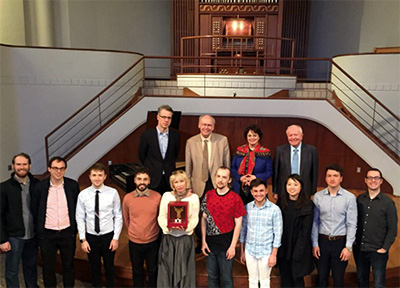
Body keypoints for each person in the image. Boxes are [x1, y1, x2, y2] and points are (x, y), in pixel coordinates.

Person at [31, 156, 80, 288]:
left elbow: (77, 208)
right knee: (48, 268)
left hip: (67, 233)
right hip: (47, 234)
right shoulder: (39, 187)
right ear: (49, 169)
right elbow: (35, 210)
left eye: (61, 168)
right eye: (55, 168)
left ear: (65, 170)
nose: (58, 171)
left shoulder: (72, 185)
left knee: (69, 266)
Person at [76, 163, 123, 288]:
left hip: (108, 236)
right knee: (94, 268)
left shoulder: (113, 193)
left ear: (105, 177)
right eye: (94, 175)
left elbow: (118, 216)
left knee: (109, 267)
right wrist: (83, 239)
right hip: (91, 237)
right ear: (90, 177)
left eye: (100, 175)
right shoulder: (83, 195)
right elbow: (80, 217)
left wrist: (116, 238)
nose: (97, 178)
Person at [311, 164, 357, 287]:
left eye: (335, 176)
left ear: (341, 178)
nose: (332, 179)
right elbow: (315, 222)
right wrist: (315, 244)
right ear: (325, 178)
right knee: (321, 278)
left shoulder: (349, 198)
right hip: (322, 242)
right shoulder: (318, 197)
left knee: (338, 279)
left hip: (340, 243)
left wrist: (348, 247)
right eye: (329, 176)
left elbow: (352, 224)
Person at [201, 166, 246, 287]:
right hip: (210, 245)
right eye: (218, 176)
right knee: (212, 278)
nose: (220, 180)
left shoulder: (235, 198)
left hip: (226, 246)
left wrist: (232, 247)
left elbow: (238, 224)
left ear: (229, 180)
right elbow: (204, 219)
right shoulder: (208, 195)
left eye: (224, 177)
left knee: (226, 280)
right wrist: (203, 241)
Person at [354, 168, 397, 288]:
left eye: (376, 178)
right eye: (370, 178)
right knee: (361, 281)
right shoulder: (360, 199)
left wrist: (384, 248)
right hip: (360, 249)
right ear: (365, 180)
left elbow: (392, 228)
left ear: (381, 181)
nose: (373, 180)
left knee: (378, 283)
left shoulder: (388, 203)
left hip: (378, 251)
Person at [0, 153, 39, 288]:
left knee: (31, 268)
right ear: (13, 166)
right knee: (12, 270)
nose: (21, 167)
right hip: (14, 237)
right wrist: (2, 239)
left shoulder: (37, 185)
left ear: (29, 166)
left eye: (24, 164)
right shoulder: (4, 187)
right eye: (18, 164)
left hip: (33, 236)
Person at [157, 170, 199, 287]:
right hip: (169, 239)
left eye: (182, 181)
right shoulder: (166, 196)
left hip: (184, 239)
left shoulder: (194, 198)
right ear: (172, 184)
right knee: (167, 270)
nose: (179, 184)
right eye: (176, 182)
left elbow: (195, 219)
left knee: (185, 271)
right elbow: (161, 216)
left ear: (186, 182)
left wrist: (185, 228)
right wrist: (168, 227)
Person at [122, 167, 161, 288]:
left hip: (153, 241)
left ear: (149, 181)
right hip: (134, 242)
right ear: (134, 180)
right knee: (137, 271)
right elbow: (126, 218)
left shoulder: (157, 197)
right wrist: (135, 232)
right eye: (139, 179)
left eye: (145, 179)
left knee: (153, 270)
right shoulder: (127, 198)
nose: (142, 182)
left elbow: (160, 218)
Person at [239, 178, 282, 288]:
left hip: (266, 251)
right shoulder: (247, 208)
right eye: (256, 191)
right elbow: (243, 231)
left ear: (267, 191)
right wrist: (242, 251)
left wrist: (274, 254)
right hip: (250, 250)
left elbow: (278, 233)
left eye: (261, 191)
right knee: (252, 280)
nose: (259, 194)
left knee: (264, 281)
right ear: (252, 192)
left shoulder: (275, 210)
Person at [277, 174, 314, 287]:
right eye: (289, 184)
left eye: (295, 184)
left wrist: (297, 253)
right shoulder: (281, 202)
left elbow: (305, 232)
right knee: (285, 279)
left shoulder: (307, 204)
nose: (292, 187)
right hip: (284, 247)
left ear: (301, 187)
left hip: (299, 249)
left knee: (297, 280)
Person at [185, 114, 231, 198]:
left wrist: (227, 184)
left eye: (209, 125)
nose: (206, 127)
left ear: (213, 127)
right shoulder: (190, 142)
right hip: (197, 186)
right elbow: (188, 167)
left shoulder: (222, 140)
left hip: (217, 184)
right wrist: (188, 187)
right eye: (204, 124)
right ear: (199, 125)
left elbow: (227, 164)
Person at [138, 104, 180, 194]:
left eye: (169, 118)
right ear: (158, 117)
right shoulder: (147, 135)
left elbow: (175, 155)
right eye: (163, 117)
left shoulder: (176, 136)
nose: (166, 120)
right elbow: (142, 155)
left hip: (169, 179)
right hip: (153, 178)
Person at [273, 124, 318, 200]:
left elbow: (314, 173)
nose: (293, 137)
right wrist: (275, 191)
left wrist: (313, 192)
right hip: (284, 191)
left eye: (296, 135)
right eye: (290, 135)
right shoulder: (279, 151)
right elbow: (276, 172)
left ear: (301, 136)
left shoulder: (311, 150)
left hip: (305, 191)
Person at [231, 124, 273, 205]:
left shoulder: (265, 152)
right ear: (246, 137)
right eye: (249, 135)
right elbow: (233, 168)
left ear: (259, 137)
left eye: (255, 135)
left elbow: (269, 172)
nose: (252, 138)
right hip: (239, 188)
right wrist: (240, 178)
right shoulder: (239, 150)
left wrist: (255, 177)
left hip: (258, 189)